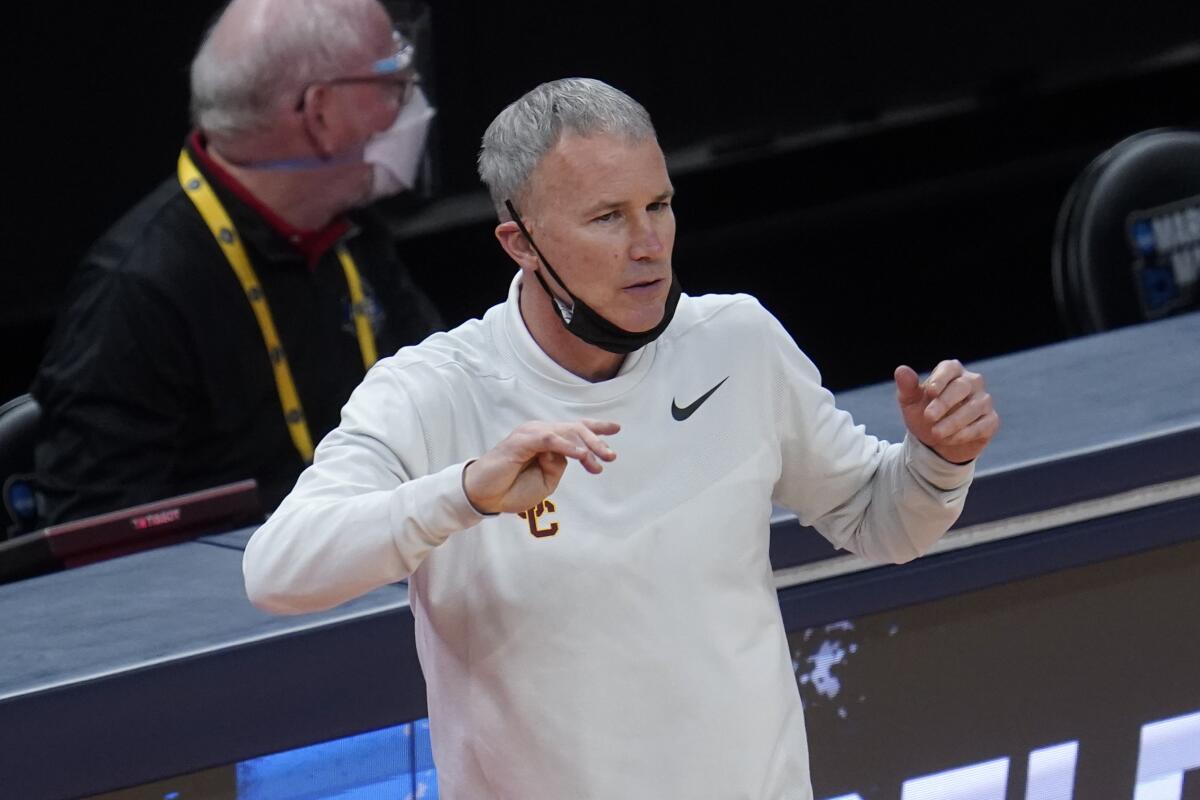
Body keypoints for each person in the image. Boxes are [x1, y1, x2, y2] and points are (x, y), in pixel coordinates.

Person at [244, 78, 1000, 798]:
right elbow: (279, 571)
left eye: (660, 205)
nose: (649, 244)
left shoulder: (738, 341)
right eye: (607, 217)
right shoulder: (431, 393)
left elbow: (879, 517)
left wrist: (938, 459)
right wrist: (466, 491)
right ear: (520, 242)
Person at [31, 0, 442, 524]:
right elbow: (100, 545)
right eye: (393, 80)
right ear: (320, 114)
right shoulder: (136, 292)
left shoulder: (351, 231)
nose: (412, 99)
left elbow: (443, 400)